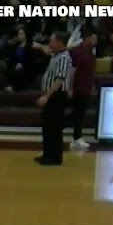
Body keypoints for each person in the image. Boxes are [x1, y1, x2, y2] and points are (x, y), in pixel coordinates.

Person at [35, 32, 72, 166]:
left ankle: (55, 158)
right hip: (52, 96)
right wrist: (39, 46)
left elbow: (59, 80)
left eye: (52, 40)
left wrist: (46, 96)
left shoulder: (63, 58)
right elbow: (46, 50)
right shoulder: (56, 55)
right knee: (47, 126)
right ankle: (47, 154)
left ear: (60, 42)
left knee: (54, 127)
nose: (50, 43)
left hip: (56, 96)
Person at [68, 32, 98, 152]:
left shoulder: (90, 52)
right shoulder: (79, 52)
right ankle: (77, 138)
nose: (95, 41)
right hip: (78, 88)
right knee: (78, 114)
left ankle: (77, 137)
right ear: (87, 38)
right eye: (93, 38)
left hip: (86, 87)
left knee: (80, 114)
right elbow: (72, 70)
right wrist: (70, 87)